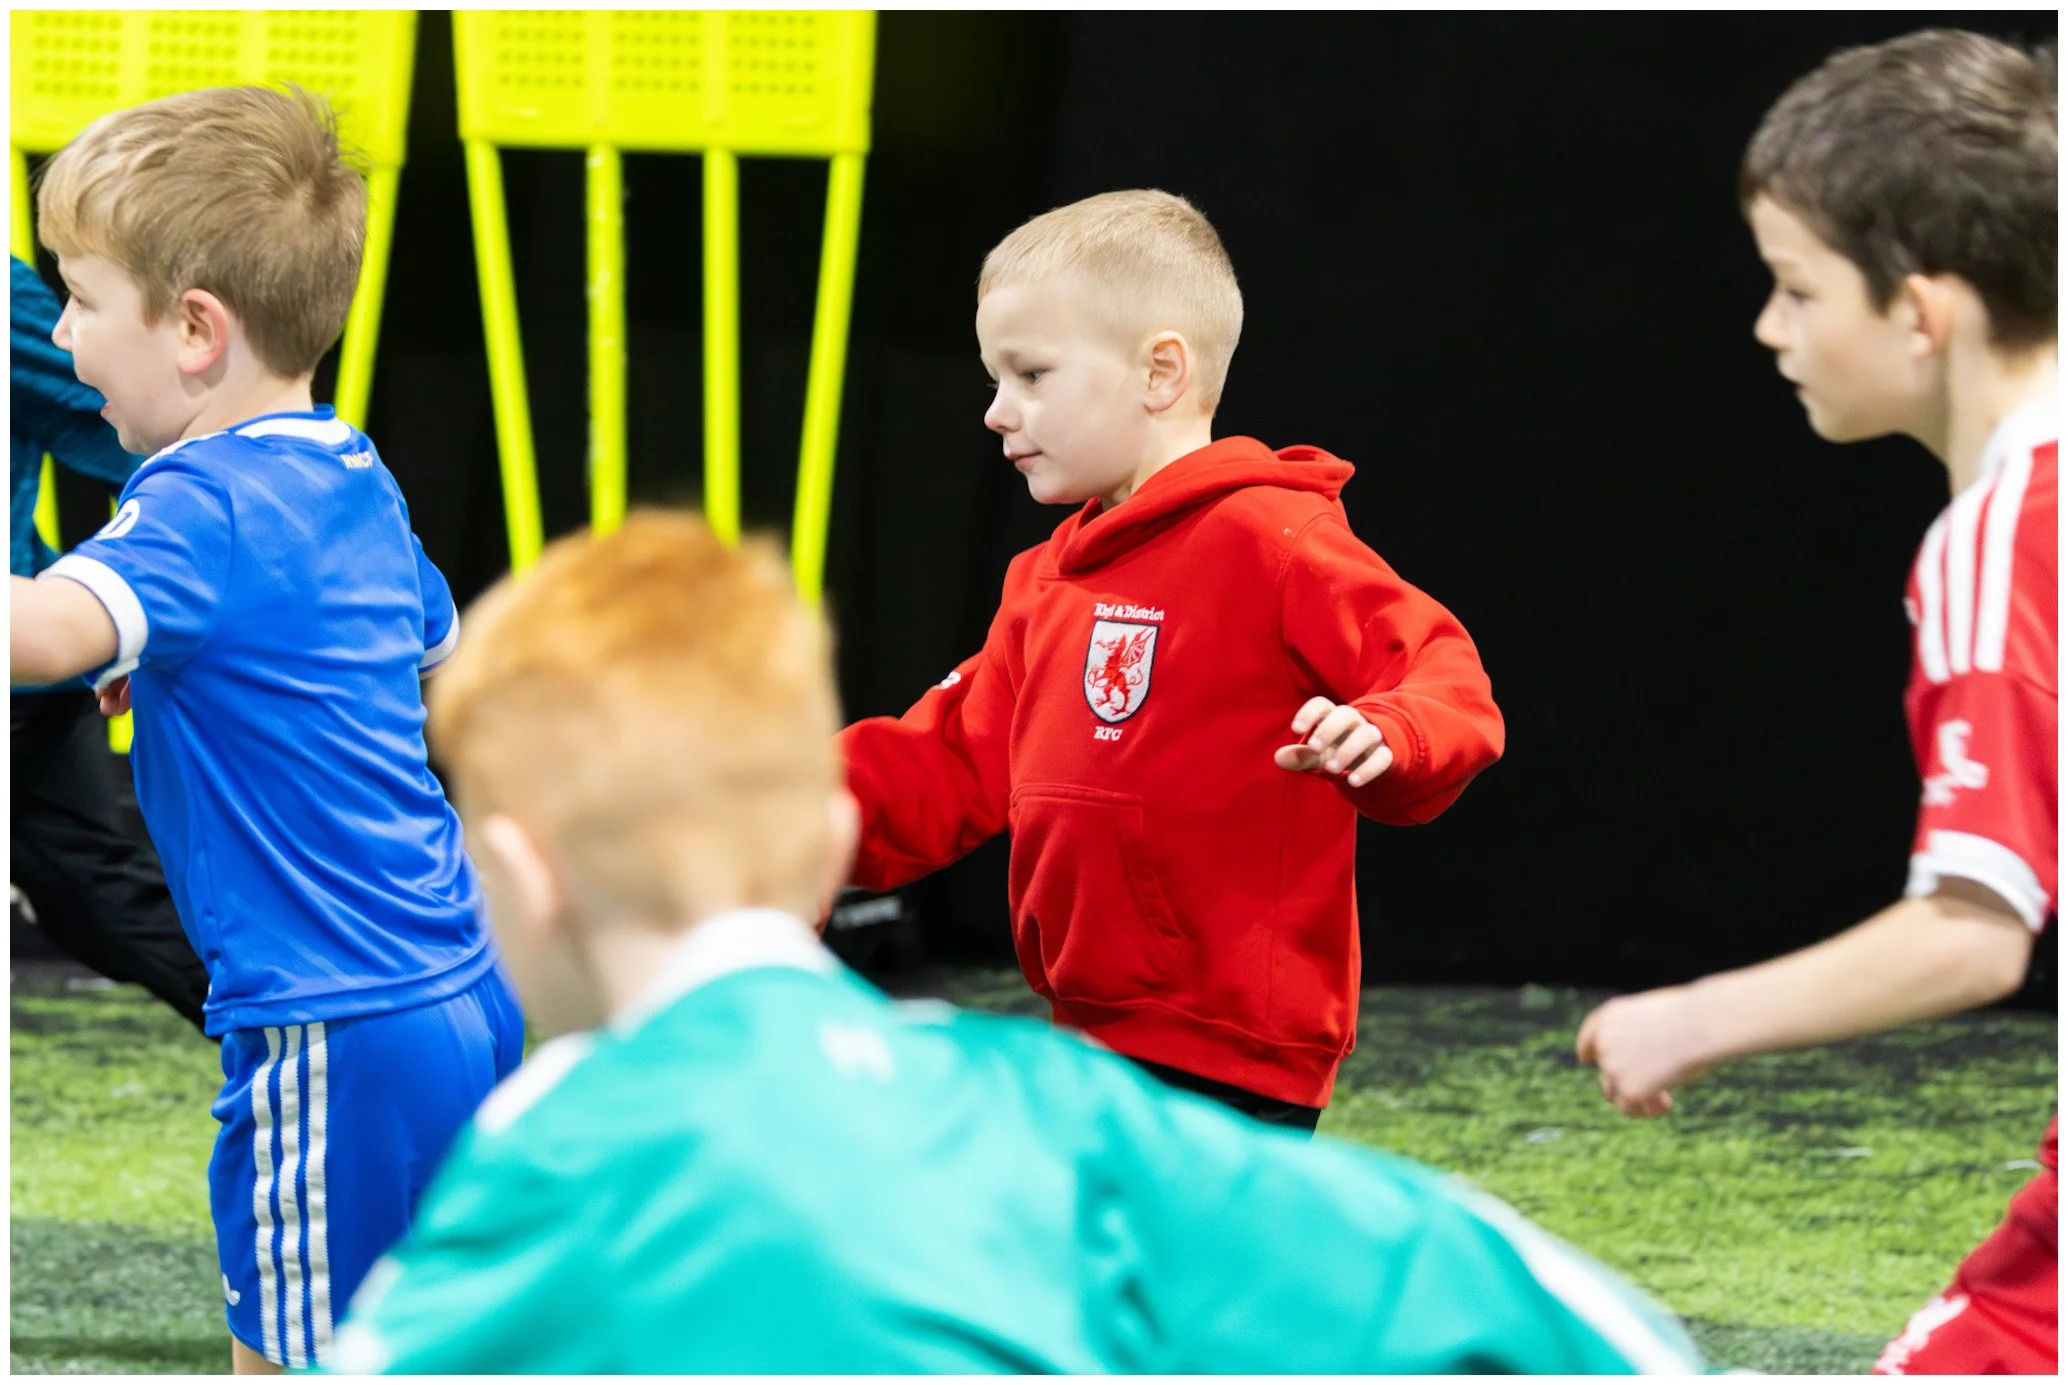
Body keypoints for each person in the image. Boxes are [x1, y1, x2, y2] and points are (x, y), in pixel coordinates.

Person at [325, 509, 1699, 1374]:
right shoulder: (1057, 1107)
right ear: (822, 845)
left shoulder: (553, 1146)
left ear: (516, 874)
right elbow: (1581, 1324)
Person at [7, 86, 522, 1373]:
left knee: (288, 1360)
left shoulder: (195, 500)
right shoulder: (347, 465)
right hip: (460, 984)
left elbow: (33, 642)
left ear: (193, 328)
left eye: (76, 297)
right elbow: (429, 652)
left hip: (328, 1022)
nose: (56, 332)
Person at [1575, 29, 2055, 1376]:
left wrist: (1694, 1016)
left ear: (1921, 310)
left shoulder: (2006, 538)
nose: (1768, 328)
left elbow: (1975, 930)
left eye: (1796, 287)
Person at [836, 191, 1505, 1131]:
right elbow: (949, 761)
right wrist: (773, 812)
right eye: (995, 378)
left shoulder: (1271, 537)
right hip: (1089, 1032)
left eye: (1030, 373)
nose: (996, 411)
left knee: (1209, 1280)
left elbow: (1441, 672)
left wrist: (1386, 731)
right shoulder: (1045, 580)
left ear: (1160, 372)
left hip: (1234, 1048)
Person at [11, 252, 209, 1030]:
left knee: (108, 900)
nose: (68, 323)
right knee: (104, 898)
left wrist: (141, 614)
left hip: (31, 677)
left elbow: (142, 435)